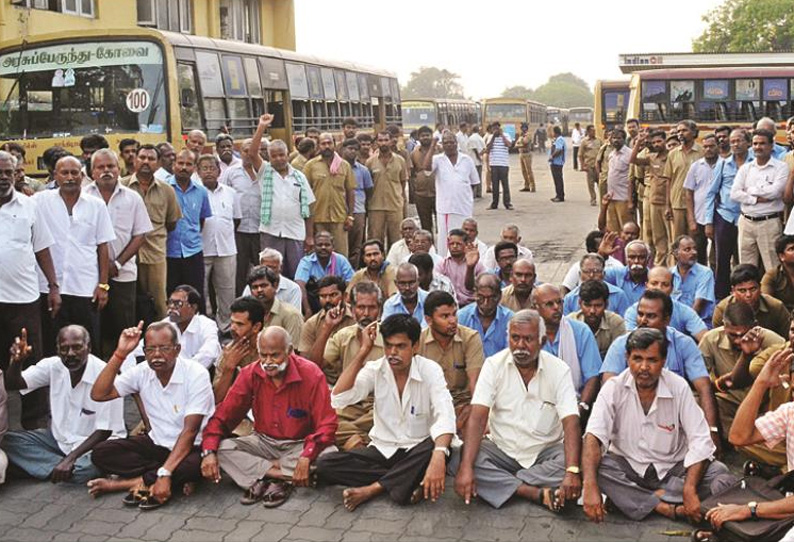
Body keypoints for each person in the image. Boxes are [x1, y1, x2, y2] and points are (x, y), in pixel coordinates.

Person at [582, 328, 735, 524]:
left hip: (673, 468)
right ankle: (663, 506)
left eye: (652, 360)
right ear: (627, 358)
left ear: (663, 361)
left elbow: (700, 439)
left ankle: (635, 499)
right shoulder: (613, 388)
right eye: (637, 359)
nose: (644, 367)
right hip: (630, 466)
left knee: (719, 473)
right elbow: (593, 436)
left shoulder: (678, 387)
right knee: (597, 467)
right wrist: (590, 486)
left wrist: (689, 487)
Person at [316, 314, 456, 511]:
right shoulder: (375, 369)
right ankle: (404, 482)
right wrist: (363, 351)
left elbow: (446, 414)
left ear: (415, 346)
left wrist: (439, 456)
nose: (392, 352)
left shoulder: (430, 370)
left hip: (417, 449)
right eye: (388, 345)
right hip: (383, 449)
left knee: (437, 445)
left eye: (400, 346)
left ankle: (372, 489)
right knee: (326, 464)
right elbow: (340, 398)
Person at [452, 310, 582, 511]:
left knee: (575, 461)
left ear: (542, 341)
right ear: (508, 338)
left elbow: (571, 422)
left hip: (545, 452)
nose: (520, 346)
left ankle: (503, 484)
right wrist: (467, 467)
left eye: (528, 339)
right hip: (502, 450)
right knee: (460, 458)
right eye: (515, 338)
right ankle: (533, 492)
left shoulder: (559, 369)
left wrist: (572, 471)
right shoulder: (494, 365)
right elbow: (478, 418)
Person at [200, 326, 337, 507]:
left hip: (300, 444)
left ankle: (260, 476)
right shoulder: (250, 373)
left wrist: (306, 455)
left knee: (330, 455)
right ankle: (282, 477)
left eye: (274, 355)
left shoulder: (311, 374)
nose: (268, 362)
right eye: (263, 355)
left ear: (289, 351)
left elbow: (327, 424)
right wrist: (208, 451)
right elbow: (224, 416)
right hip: (263, 442)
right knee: (223, 448)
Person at [87, 321, 214, 509]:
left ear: (177, 349)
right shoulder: (142, 372)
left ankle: (128, 483)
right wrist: (120, 354)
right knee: (101, 453)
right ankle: (165, 477)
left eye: (164, 348)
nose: (156, 355)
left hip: (191, 447)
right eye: (150, 349)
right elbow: (99, 394)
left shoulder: (196, 374)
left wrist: (164, 474)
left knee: (193, 466)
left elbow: (190, 432)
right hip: (157, 444)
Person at [1, 326, 125, 484]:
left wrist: (71, 458)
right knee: (6, 440)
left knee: (88, 468)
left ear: (89, 348)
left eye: (77, 347)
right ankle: (58, 468)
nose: (71, 354)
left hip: (95, 445)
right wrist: (17, 362)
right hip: (59, 440)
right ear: (58, 350)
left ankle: (43, 467)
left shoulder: (107, 376)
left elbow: (104, 431)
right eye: (64, 349)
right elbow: (13, 384)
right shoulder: (53, 366)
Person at [600, 291, 721, 452]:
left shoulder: (683, 344)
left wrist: (712, 431)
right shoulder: (621, 345)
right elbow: (609, 387)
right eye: (640, 314)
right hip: (633, 410)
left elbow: (704, 387)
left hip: (673, 412)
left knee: (696, 402)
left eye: (651, 316)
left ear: (667, 319)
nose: (643, 320)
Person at [699, 347, 794, 538]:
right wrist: (761, 383)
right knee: (724, 487)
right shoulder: (790, 412)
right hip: (787, 497)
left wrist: (749, 510)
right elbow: (739, 437)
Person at [0, 150, 61, 429]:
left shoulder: (29, 205)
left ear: (15, 174)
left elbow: (42, 249)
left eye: (7, 172)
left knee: (30, 360)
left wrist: (53, 286)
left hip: (23, 299)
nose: (3, 178)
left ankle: (35, 422)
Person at [34, 155, 116, 355]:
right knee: (53, 345)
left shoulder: (96, 205)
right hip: (49, 287)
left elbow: (102, 246)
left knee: (88, 343)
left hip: (85, 287)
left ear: (82, 175)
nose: (70, 177)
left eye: (74, 173)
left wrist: (103, 285)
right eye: (64, 173)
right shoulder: (39, 202)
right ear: (55, 176)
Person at [84, 149, 153, 357]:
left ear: (118, 168)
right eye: (100, 167)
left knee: (123, 325)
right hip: (90, 274)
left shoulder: (132, 198)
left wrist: (118, 264)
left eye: (110, 166)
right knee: (94, 326)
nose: (106, 171)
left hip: (123, 274)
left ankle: (123, 372)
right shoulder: (83, 196)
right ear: (92, 171)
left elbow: (140, 235)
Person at [699, 301, 784, 442]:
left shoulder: (773, 341)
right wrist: (718, 384)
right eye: (733, 335)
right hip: (730, 399)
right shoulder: (710, 339)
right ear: (724, 325)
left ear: (755, 325)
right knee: (703, 399)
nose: (739, 340)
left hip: (765, 402)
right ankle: (727, 442)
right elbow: (701, 380)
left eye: (743, 334)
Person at [251, 116, 315, 281]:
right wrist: (261, 127)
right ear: (269, 157)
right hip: (271, 231)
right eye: (274, 156)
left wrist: (309, 236)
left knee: (296, 273)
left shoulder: (299, 177)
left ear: (288, 155)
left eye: (282, 155)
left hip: (295, 233)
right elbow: (252, 153)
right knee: (269, 275)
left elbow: (309, 207)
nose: (278, 159)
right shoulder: (265, 172)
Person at [323, 282, 384, 449]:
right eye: (361, 307)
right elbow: (315, 364)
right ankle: (358, 442)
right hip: (349, 406)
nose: (366, 314)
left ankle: (354, 441)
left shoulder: (390, 338)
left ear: (379, 309)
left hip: (379, 407)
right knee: (324, 420)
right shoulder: (343, 336)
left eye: (371, 308)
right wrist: (328, 328)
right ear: (352, 308)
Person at [124, 144, 183, 320]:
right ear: (135, 160)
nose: (145, 162)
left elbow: (171, 223)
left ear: (158, 164)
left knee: (158, 303)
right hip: (125, 257)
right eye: (142, 157)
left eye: (151, 159)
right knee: (128, 302)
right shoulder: (121, 186)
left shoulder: (167, 190)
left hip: (155, 255)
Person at [418, 291, 484, 431]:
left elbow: (475, 385)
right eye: (445, 316)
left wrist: (473, 412)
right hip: (429, 406)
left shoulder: (470, 338)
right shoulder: (418, 342)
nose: (453, 320)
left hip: (462, 405)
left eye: (454, 314)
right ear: (429, 320)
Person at [533, 285, 602, 408]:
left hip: (573, 403)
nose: (556, 308)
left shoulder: (580, 331)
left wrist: (583, 406)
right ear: (535, 308)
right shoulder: (528, 335)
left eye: (559, 302)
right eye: (549, 304)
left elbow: (592, 377)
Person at [731, 129, 788, 271]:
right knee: (746, 268)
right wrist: (756, 199)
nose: (758, 147)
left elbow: (775, 192)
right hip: (746, 222)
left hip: (769, 223)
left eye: (762, 143)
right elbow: (734, 193)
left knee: (773, 268)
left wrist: (750, 191)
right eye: (755, 143)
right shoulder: (746, 168)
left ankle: (773, 294)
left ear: (771, 145)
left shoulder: (781, 167)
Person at [705, 128, 751, 299]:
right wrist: (709, 222)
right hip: (724, 217)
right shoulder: (723, 164)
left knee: (744, 261)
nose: (735, 144)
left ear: (748, 142)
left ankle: (744, 295)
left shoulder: (754, 162)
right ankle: (721, 298)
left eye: (739, 140)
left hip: (747, 217)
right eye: (732, 141)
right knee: (722, 261)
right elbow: (711, 193)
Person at [197, 154, 241, 333]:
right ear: (198, 172)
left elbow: (236, 219)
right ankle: (205, 327)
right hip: (201, 249)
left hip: (227, 249)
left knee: (227, 291)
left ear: (219, 171)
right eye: (204, 168)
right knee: (201, 291)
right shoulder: (196, 192)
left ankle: (226, 327)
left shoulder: (230, 193)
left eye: (212, 168)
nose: (208, 171)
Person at [423, 132, 480, 256]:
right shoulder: (438, 159)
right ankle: (445, 266)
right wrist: (432, 145)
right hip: (446, 209)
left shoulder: (467, 160)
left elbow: (474, 182)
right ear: (442, 145)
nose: (449, 145)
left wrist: (465, 197)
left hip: (464, 208)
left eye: (452, 142)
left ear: (456, 143)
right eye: (446, 143)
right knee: (447, 242)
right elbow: (426, 168)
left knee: (465, 238)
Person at [166, 149, 213, 298]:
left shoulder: (201, 192)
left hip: (193, 252)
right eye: (180, 163)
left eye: (188, 164)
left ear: (194, 168)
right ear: (174, 165)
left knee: (195, 296)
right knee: (171, 295)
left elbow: (201, 220)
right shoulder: (164, 188)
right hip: (168, 252)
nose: (184, 167)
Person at [304, 133, 356, 259]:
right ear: (318, 146)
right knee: (319, 255)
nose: (326, 146)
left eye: (329, 143)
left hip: (339, 218)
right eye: (323, 144)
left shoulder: (344, 165)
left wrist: (350, 216)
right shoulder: (311, 166)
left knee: (341, 255)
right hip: (318, 218)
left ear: (334, 144)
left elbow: (350, 191)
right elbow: (304, 193)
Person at [223, 138, 264, 296]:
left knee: (261, 269)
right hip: (239, 231)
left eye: (252, 151)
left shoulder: (265, 172)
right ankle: (241, 300)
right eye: (245, 151)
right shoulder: (231, 173)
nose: (249, 154)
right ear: (240, 153)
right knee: (239, 271)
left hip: (261, 229)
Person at [623, 267, 708, 342]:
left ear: (672, 288)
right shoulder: (633, 312)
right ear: (646, 286)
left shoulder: (684, 311)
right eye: (654, 283)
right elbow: (630, 342)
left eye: (665, 285)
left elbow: (705, 339)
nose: (659, 288)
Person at [712, 264, 792, 339]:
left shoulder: (776, 307)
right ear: (733, 291)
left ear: (760, 288)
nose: (748, 295)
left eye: (753, 289)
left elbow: (788, 339)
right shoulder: (722, 310)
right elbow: (718, 343)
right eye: (742, 290)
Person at [211, 296, 264, 405]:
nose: (233, 328)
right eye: (232, 323)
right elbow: (217, 399)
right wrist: (229, 368)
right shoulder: (229, 351)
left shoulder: (272, 345)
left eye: (239, 324)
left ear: (256, 327)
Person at [631, 130, 670, 265]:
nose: (656, 144)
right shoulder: (651, 157)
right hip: (654, 201)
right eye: (654, 142)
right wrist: (638, 142)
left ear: (665, 141)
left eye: (659, 141)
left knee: (671, 236)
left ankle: (672, 266)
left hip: (668, 202)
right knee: (657, 236)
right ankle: (659, 265)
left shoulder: (672, 156)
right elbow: (633, 160)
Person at [294, 231, 355, 316]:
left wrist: (345, 304)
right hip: (315, 303)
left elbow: (352, 282)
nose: (323, 247)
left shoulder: (341, 260)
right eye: (319, 245)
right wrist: (308, 310)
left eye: (327, 245)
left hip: (338, 301)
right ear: (314, 247)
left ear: (333, 247)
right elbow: (300, 285)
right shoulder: (306, 262)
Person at [663, 120, 704, 242]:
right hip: (677, 204)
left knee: (695, 239)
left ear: (693, 133)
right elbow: (668, 180)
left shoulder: (702, 152)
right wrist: (667, 206)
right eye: (679, 131)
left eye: (684, 130)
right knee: (678, 240)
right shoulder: (673, 154)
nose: (680, 133)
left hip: (697, 204)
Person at [299, 276, 355, 365]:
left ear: (344, 296)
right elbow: (307, 365)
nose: (328, 300)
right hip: (323, 376)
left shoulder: (356, 318)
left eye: (333, 295)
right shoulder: (311, 324)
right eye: (323, 296)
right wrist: (327, 328)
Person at [367, 131, 407, 250]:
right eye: (380, 140)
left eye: (386, 140)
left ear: (391, 141)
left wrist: (403, 204)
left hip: (395, 206)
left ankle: (393, 267)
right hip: (375, 207)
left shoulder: (400, 161)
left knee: (396, 241)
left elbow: (403, 183)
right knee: (375, 240)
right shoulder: (370, 162)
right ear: (376, 143)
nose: (383, 143)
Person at [684, 135, 720, 266]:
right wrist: (691, 220)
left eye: (711, 146)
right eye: (705, 146)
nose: (708, 149)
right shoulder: (696, 166)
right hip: (699, 217)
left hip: (719, 217)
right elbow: (688, 193)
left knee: (717, 256)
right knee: (697, 254)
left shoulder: (725, 165)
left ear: (718, 147)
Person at [246, 266, 304, 347]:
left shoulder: (291, 315)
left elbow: (294, 351)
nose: (259, 290)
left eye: (264, 285)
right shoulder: (247, 314)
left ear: (275, 286)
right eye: (255, 287)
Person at [458, 274, 514, 358]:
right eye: (481, 297)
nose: (486, 303)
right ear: (475, 294)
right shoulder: (461, 317)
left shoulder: (511, 319)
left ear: (499, 296)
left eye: (491, 298)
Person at [570, 280, 626, 360]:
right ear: (580, 303)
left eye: (598, 305)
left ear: (606, 304)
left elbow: (619, 356)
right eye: (587, 305)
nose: (592, 311)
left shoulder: (616, 323)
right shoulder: (570, 323)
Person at [563, 254, 630, 317]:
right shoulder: (570, 298)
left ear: (603, 274)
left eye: (596, 271)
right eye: (587, 271)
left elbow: (625, 323)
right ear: (580, 274)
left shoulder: (619, 295)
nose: (591, 275)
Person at [342, 138, 373, 267]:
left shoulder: (363, 170)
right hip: (340, 210)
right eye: (350, 149)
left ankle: (353, 270)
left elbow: (369, 189)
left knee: (356, 244)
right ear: (343, 150)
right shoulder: (336, 168)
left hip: (358, 210)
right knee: (342, 243)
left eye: (355, 149)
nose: (352, 152)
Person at [671, 235, 716, 325]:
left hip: (699, 323)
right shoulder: (669, 274)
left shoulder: (705, 273)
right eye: (687, 250)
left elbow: (698, 306)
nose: (694, 252)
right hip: (674, 324)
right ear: (676, 254)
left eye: (695, 249)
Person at [434, 229, 484, 307]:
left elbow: (480, 287)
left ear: (466, 244)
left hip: (471, 305)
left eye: (458, 244)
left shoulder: (477, 265)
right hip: (447, 305)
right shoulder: (442, 264)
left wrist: (470, 267)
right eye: (451, 244)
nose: (454, 246)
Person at [603, 239, 650, 306]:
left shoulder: (654, 279)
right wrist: (601, 256)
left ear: (648, 259)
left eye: (641, 257)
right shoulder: (616, 273)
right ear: (626, 259)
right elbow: (593, 278)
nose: (636, 261)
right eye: (632, 257)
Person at [410, 126, 439, 234]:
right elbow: (412, 174)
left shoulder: (440, 150)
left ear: (432, 136)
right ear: (418, 137)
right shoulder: (414, 153)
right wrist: (414, 191)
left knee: (441, 225)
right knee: (425, 226)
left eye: (428, 135)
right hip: (421, 195)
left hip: (438, 193)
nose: (425, 137)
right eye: (423, 135)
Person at [604, 128, 634, 231]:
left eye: (619, 138)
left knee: (626, 228)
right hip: (611, 197)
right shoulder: (612, 154)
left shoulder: (630, 154)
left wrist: (630, 201)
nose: (616, 140)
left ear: (624, 139)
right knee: (613, 229)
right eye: (614, 138)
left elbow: (632, 178)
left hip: (623, 198)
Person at [382, 263, 429, 328]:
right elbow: (387, 331)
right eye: (402, 283)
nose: (407, 288)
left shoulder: (429, 300)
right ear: (396, 283)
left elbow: (428, 328)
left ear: (418, 281)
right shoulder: (390, 305)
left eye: (411, 283)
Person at [762, 234, 794, 312]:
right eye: (791, 249)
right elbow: (766, 301)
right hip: (783, 317)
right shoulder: (772, 276)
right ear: (781, 256)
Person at [487, 122, 513, 210]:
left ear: (500, 128)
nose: (495, 130)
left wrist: (502, 135)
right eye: (494, 129)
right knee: (495, 185)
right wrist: (493, 137)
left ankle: (507, 203)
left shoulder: (506, 135)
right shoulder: (491, 137)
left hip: (503, 164)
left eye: (497, 128)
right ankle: (494, 204)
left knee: (505, 184)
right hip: (494, 164)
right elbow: (488, 149)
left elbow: (509, 145)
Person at [579, 125, 602, 206]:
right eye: (592, 131)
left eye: (594, 130)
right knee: (590, 184)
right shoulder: (584, 142)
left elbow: (603, 151)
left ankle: (603, 198)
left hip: (598, 166)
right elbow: (580, 155)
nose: (594, 132)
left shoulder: (599, 140)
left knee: (601, 183)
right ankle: (593, 199)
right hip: (589, 166)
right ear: (588, 132)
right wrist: (582, 166)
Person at [467, 125, 486, 198]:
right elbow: (484, 149)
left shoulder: (471, 138)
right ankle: (479, 192)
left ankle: (474, 193)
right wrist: (481, 156)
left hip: (473, 161)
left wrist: (478, 157)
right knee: (479, 177)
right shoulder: (480, 138)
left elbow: (474, 149)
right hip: (479, 161)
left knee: (473, 178)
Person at [549, 126, 566, 203]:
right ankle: (558, 195)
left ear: (555, 132)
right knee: (556, 180)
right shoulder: (557, 139)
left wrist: (552, 156)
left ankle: (560, 196)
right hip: (555, 162)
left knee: (558, 179)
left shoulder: (560, 139)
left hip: (557, 163)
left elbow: (558, 150)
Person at [517, 123, 536, 193]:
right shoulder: (522, 135)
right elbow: (516, 144)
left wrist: (520, 141)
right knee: (523, 171)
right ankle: (526, 185)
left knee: (529, 171)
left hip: (527, 154)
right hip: (521, 153)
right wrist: (520, 143)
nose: (522, 129)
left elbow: (525, 142)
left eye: (524, 128)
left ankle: (532, 186)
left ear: (526, 128)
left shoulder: (528, 135)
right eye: (522, 128)